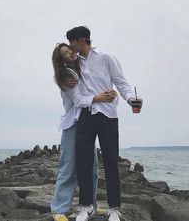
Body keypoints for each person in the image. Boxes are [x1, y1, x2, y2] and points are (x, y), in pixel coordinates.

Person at [66, 26, 143, 221]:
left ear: (82, 40)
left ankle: (114, 208)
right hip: (86, 114)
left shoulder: (106, 58)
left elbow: (121, 82)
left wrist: (131, 98)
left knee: (110, 161)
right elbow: (78, 98)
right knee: (83, 161)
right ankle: (85, 207)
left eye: (72, 42)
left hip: (108, 115)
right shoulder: (74, 65)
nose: (70, 46)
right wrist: (97, 97)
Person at [51, 43, 117, 221]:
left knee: (92, 167)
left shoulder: (81, 69)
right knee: (68, 167)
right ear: (61, 60)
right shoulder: (66, 76)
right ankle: (59, 209)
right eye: (66, 53)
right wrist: (100, 97)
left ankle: (91, 206)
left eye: (71, 50)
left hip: (88, 122)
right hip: (73, 123)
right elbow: (79, 101)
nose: (71, 53)